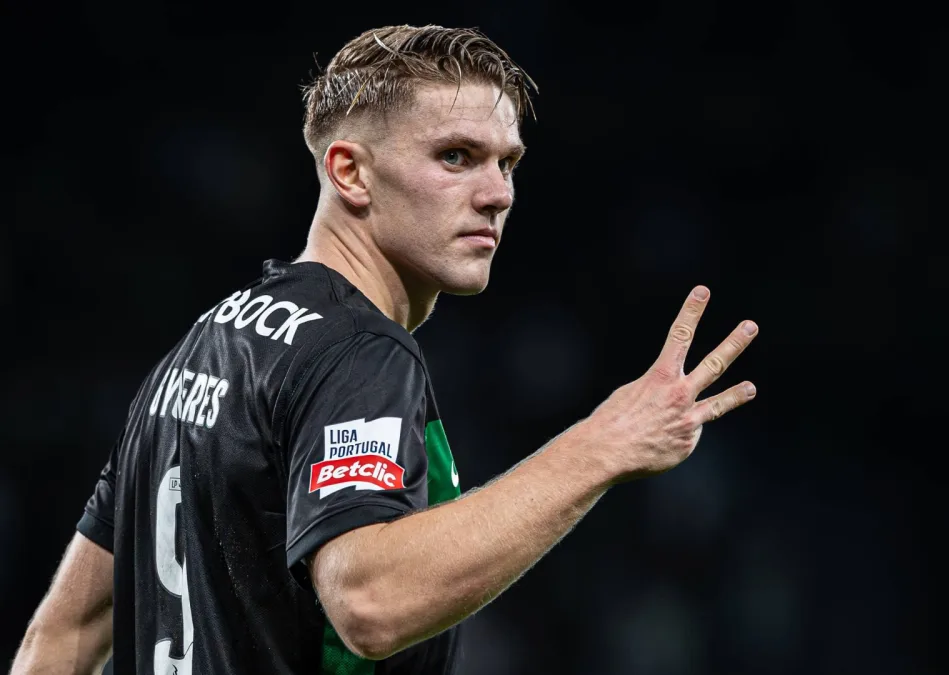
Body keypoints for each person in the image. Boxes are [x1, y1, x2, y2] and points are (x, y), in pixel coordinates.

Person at [10, 24, 759, 675]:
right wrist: (607, 443)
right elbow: (369, 600)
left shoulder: (202, 346)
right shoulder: (360, 353)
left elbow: (63, 634)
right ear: (350, 171)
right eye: (457, 156)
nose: (498, 193)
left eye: (508, 162)